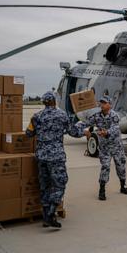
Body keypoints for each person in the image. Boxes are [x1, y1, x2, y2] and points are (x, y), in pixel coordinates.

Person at [26, 91, 84, 228]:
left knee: (45, 186)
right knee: (60, 183)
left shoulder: (36, 116)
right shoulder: (62, 115)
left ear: (44, 102)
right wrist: (83, 128)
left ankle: (46, 216)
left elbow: (28, 134)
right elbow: (74, 132)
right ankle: (51, 213)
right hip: (56, 156)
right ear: (53, 102)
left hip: (41, 156)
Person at [83, 96, 127, 200]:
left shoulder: (114, 115)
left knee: (121, 166)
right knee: (105, 167)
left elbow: (115, 128)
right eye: (101, 103)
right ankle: (102, 190)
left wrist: (107, 132)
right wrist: (83, 129)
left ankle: (123, 186)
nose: (102, 105)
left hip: (116, 146)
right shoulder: (97, 116)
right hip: (104, 147)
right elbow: (87, 123)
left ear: (110, 105)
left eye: (104, 103)